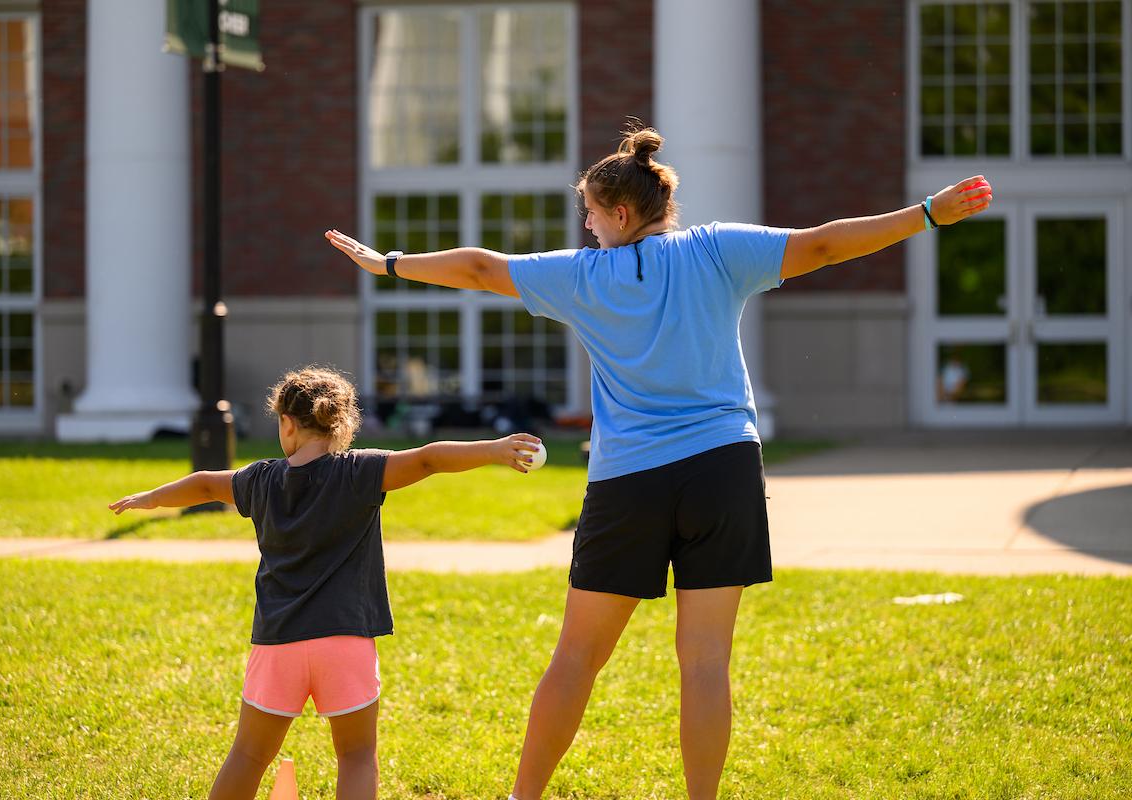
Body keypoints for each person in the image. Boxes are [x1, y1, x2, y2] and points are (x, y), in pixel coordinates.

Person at [326, 127, 992, 799]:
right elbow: (823, 243)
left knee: (577, 657)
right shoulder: (718, 250)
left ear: (620, 213)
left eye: (589, 211)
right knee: (705, 663)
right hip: (723, 471)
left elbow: (478, 267)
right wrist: (928, 213)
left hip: (628, 483)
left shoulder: (581, 276)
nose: (584, 225)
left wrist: (389, 263)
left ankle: (522, 799)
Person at [108, 365, 541, 800]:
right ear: (343, 424)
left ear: (288, 424)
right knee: (356, 755)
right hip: (345, 641)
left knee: (249, 755)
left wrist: (153, 497)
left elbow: (203, 485)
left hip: (279, 643)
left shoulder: (259, 479)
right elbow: (428, 458)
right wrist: (494, 448)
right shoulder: (361, 471)